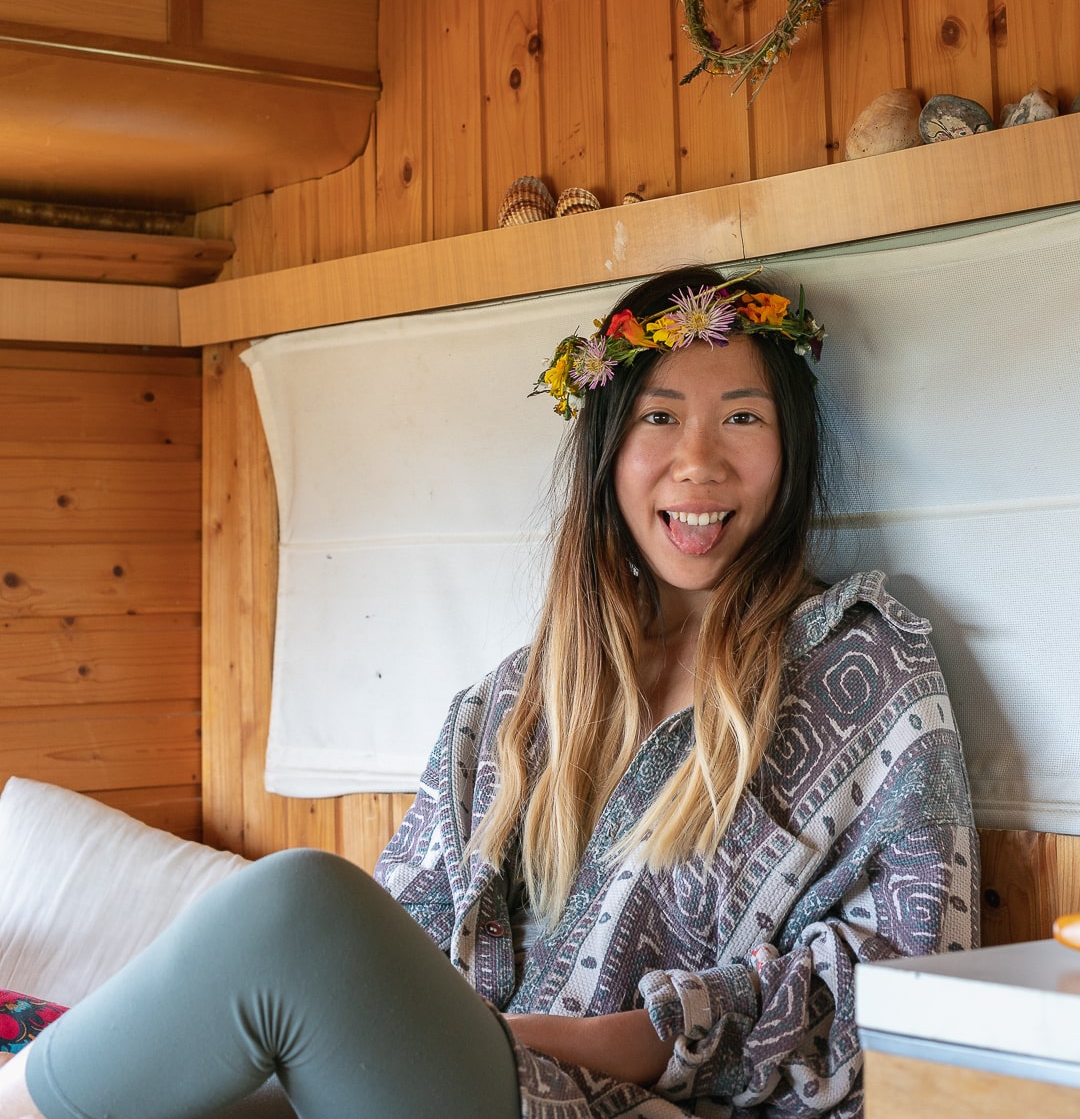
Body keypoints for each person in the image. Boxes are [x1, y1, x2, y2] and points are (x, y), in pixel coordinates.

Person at [0, 265, 978, 1119]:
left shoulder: (860, 673)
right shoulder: (513, 704)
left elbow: (899, 988)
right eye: (660, 416)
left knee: (297, 904)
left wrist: (624, 1037)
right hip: (451, 1079)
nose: (700, 459)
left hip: (618, 1103)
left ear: (790, 448)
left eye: (743, 417)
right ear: (609, 454)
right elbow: (405, 935)